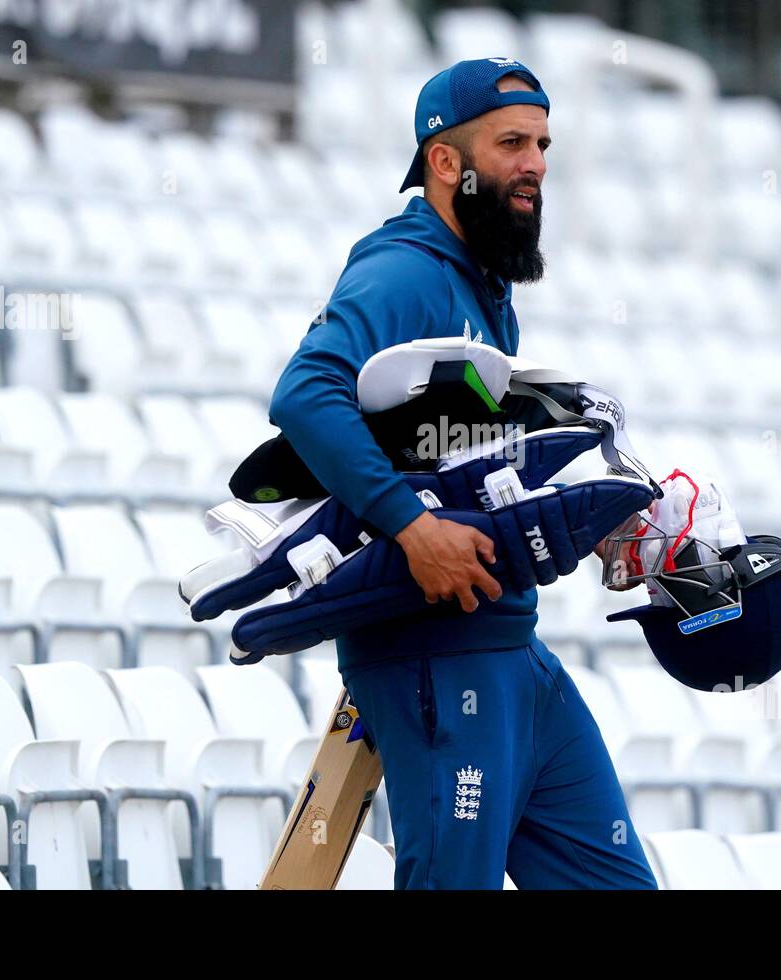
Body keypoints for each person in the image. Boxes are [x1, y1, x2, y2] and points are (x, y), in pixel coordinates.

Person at [267, 58, 658, 890]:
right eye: (512, 142)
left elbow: (463, 465)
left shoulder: (483, 282)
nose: (537, 164)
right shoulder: (406, 271)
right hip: (434, 660)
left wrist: (590, 526)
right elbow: (304, 393)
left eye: (544, 144)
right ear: (446, 162)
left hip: (511, 648)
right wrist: (410, 527)